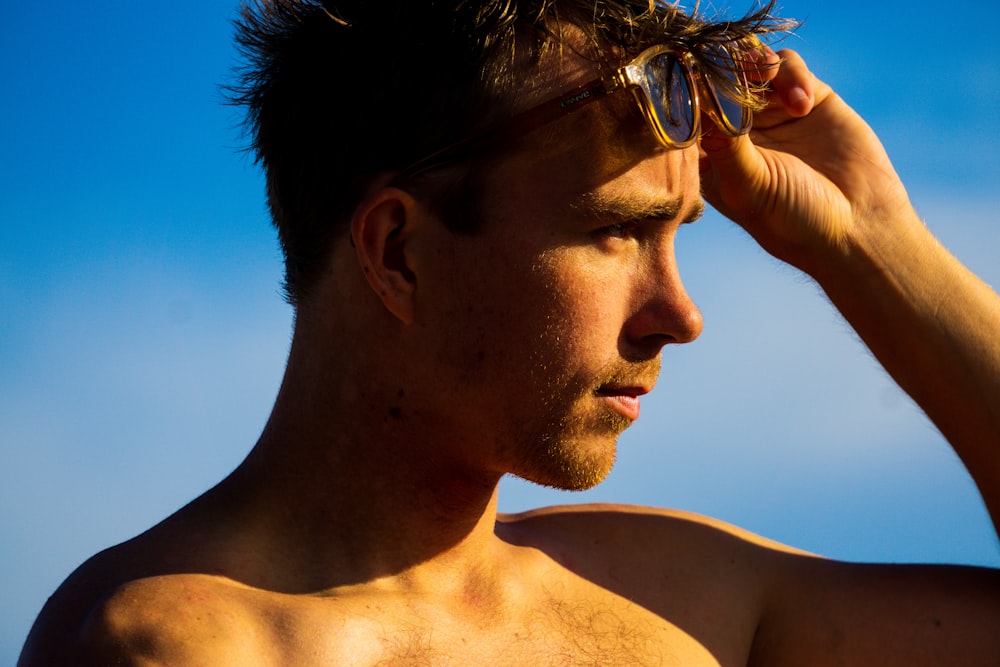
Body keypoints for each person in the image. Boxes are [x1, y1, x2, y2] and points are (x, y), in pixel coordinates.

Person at [19, 0, 1000, 664]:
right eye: (614, 232)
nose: (681, 315)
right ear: (399, 252)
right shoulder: (183, 645)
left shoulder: (677, 596)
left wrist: (872, 241)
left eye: (674, 233)